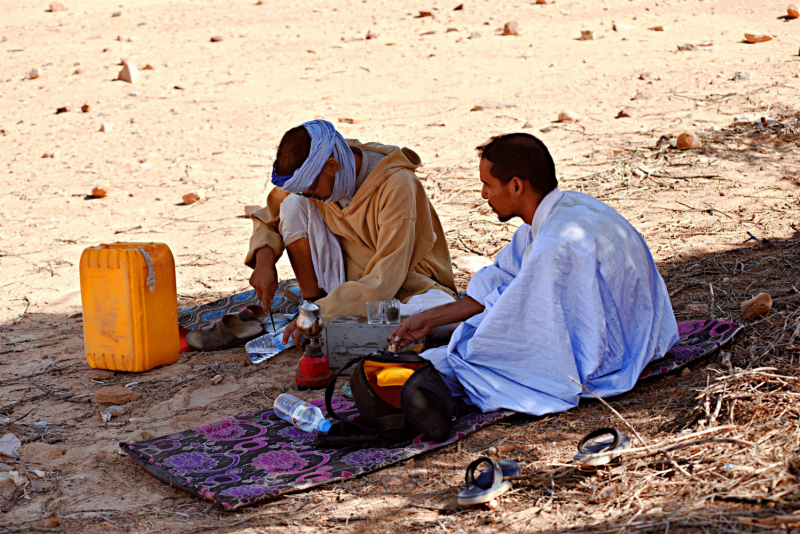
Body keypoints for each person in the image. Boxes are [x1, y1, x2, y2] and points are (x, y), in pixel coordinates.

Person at [389, 133, 679, 416]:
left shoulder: (558, 243)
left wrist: (466, 348)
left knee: (452, 366)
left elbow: (530, 332)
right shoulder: (567, 207)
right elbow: (501, 278)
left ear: (516, 186)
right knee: (450, 350)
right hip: (645, 337)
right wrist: (428, 320)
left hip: (611, 357)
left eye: (487, 185)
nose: (484, 194)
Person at [246, 120, 457, 345]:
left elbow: (385, 279)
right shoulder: (315, 171)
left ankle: (322, 315)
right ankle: (313, 303)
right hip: (346, 285)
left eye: (311, 191)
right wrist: (264, 259)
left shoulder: (397, 185)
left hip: (407, 284)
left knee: (437, 316)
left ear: (332, 166)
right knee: (292, 204)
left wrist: (324, 313)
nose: (309, 196)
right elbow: (269, 216)